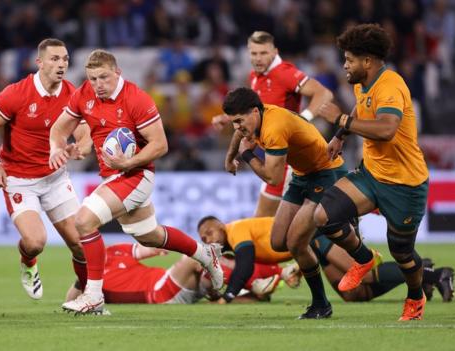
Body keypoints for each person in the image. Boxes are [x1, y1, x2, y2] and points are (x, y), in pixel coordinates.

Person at [49, 49, 224, 315]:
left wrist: (127, 163)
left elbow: (160, 145)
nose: (98, 85)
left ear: (117, 72)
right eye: (93, 78)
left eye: (104, 78)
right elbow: (59, 128)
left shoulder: (136, 99)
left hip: (137, 174)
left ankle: (94, 296)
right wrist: (58, 148)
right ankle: (204, 254)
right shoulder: (85, 93)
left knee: (84, 221)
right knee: (150, 236)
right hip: (114, 175)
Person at [314, 24, 431, 321]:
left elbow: (387, 129)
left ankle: (416, 297)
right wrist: (340, 134)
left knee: (403, 254)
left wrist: (339, 118)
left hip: (405, 184)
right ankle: (364, 259)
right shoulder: (362, 82)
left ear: (367, 61)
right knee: (323, 217)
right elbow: (359, 110)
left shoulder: (390, 85)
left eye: (349, 60)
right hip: (372, 174)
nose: (344, 65)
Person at [0, 38, 90, 300]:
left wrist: (80, 147)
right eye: (54, 59)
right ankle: (28, 261)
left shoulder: (72, 93)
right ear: (39, 62)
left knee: (81, 245)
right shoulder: (18, 92)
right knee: (35, 242)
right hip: (19, 179)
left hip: (56, 178)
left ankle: (88, 295)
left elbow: (85, 132)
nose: (61, 64)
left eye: (65, 59)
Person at [221, 87, 347, 319]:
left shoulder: (274, 127)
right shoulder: (252, 120)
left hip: (326, 173)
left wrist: (248, 156)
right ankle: (318, 230)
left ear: (255, 112)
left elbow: (274, 178)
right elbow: (239, 134)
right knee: (279, 242)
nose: (237, 127)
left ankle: (321, 304)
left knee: (296, 242)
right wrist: (230, 159)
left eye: (239, 120)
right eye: (233, 122)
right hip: (302, 175)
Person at [213, 31, 334, 217]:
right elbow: (253, 111)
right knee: (291, 232)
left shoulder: (285, 73)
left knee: (263, 222)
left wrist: (304, 117)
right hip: (273, 154)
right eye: (254, 53)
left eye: (263, 53)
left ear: (274, 51)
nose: (258, 58)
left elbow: (324, 94)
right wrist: (227, 117)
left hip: (286, 160)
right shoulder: (254, 76)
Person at [65, 243, 291, 305]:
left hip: (169, 282)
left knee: (216, 256)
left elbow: (147, 249)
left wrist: (158, 246)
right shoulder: (90, 279)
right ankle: (256, 283)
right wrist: (81, 277)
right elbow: (69, 301)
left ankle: (253, 291)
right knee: (197, 257)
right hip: (159, 294)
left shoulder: (113, 251)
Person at [311, 234, 455, 303]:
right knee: (353, 294)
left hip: (323, 230)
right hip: (312, 240)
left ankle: (437, 275)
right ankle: (420, 270)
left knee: (362, 274)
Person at [196, 216, 301, 304]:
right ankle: (287, 273)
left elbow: (245, 267)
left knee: (244, 261)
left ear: (220, 226)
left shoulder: (235, 230)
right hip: (300, 241)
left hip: (302, 233)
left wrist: (227, 297)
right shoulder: (231, 238)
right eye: (204, 239)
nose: (209, 240)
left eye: (210, 233)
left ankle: (277, 276)